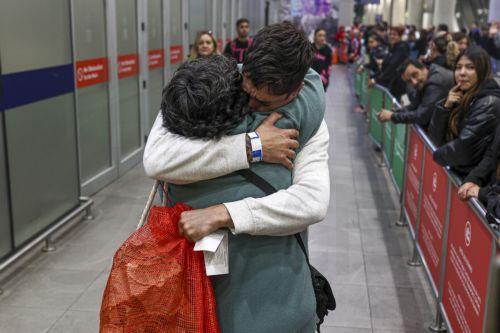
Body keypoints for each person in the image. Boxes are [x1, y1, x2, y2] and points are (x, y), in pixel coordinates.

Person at [144, 22, 330, 332]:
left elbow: (312, 202)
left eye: (265, 103)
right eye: (248, 92)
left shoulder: (304, 124)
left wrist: (223, 213)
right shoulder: (203, 89)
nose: (251, 106)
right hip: (196, 286)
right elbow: (156, 160)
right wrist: (253, 146)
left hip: (271, 293)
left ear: (295, 91)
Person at [429, 47, 500, 180]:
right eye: (458, 67)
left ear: (483, 70)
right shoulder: (460, 95)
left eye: (470, 67)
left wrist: (435, 155)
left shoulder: (489, 102)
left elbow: (463, 150)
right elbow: (434, 137)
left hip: (473, 181)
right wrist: (445, 106)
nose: (462, 73)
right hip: (458, 172)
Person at [376, 59, 454, 129]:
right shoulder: (424, 80)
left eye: (415, 74)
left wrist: (392, 116)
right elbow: (414, 105)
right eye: (409, 81)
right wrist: (395, 112)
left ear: (423, 68)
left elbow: (422, 116)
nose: (414, 82)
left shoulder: (436, 81)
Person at [372, 26, 409, 99]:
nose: (392, 36)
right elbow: (386, 65)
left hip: (397, 85)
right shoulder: (393, 47)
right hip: (390, 83)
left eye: (395, 34)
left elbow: (392, 66)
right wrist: (375, 77)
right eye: (390, 34)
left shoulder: (402, 48)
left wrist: (376, 79)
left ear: (400, 36)